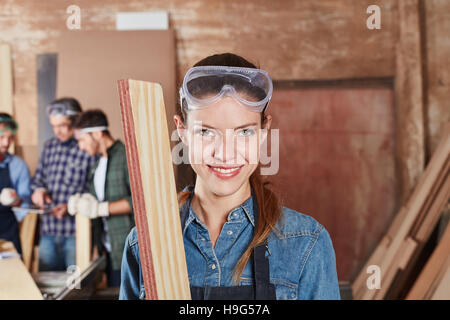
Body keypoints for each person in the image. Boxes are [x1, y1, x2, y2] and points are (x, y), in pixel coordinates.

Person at [119, 53, 340, 300]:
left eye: (244, 132)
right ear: (182, 131)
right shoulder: (144, 244)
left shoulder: (306, 243)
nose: (225, 154)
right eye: (206, 132)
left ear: (264, 131)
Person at [68, 109, 135, 287]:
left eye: (82, 140)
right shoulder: (98, 164)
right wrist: (83, 201)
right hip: (109, 251)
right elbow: (96, 198)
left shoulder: (127, 157)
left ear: (97, 133)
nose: (80, 146)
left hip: (129, 250)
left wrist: (101, 209)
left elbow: (141, 202)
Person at [31, 98, 96, 271]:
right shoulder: (49, 147)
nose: (57, 131)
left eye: (62, 125)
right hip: (49, 231)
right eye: (53, 126)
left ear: (75, 122)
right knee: (46, 285)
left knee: (75, 288)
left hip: (75, 233)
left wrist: (70, 207)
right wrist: (39, 191)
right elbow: (38, 179)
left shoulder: (87, 147)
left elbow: (94, 191)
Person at [0, 113, 32, 254]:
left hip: (9, 234)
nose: (6, 143)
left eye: (10, 138)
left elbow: (25, 202)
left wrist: (16, 201)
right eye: (1, 137)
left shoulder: (19, 166)